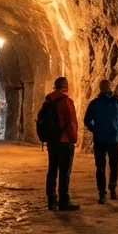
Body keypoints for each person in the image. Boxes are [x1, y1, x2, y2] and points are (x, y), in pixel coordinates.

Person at [83, 79, 118, 204]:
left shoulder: (100, 103)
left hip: (104, 139)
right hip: (108, 139)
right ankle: (107, 190)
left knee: (103, 166)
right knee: (107, 166)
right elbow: (87, 120)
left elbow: (87, 120)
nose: (106, 88)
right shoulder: (114, 102)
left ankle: (105, 191)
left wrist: (95, 129)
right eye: (105, 86)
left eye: (107, 86)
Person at [37, 77, 80, 212]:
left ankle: (51, 200)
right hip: (64, 141)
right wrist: (74, 139)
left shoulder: (48, 101)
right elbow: (72, 123)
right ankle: (64, 201)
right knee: (64, 172)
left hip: (52, 142)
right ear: (65, 86)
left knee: (52, 170)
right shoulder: (66, 102)